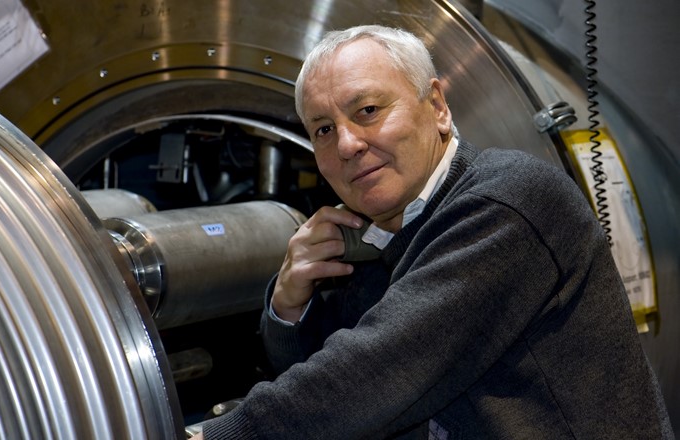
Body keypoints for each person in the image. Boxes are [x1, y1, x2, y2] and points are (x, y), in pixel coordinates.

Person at [194, 24, 672, 439]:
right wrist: (290, 306)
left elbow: (375, 374)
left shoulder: (508, 202)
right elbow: (316, 379)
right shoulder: (375, 231)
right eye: (322, 129)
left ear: (438, 106)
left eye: (367, 111)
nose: (346, 144)